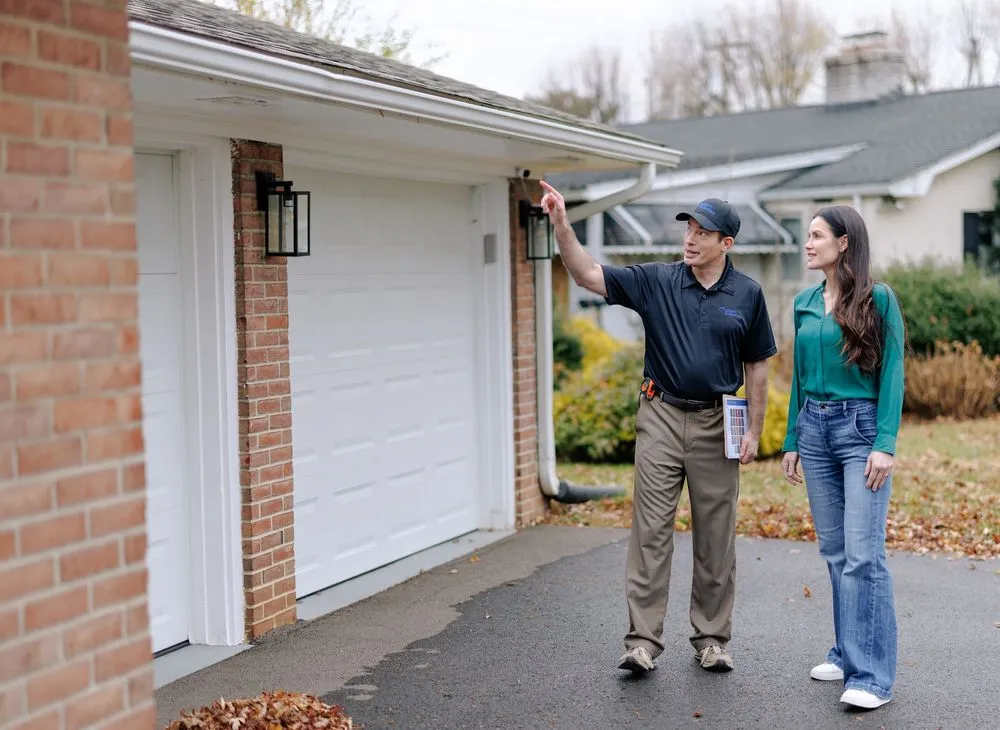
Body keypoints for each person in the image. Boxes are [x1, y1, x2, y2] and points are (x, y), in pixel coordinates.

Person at [539, 181, 776, 674]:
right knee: (650, 532)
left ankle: (711, 639)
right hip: (661, 417)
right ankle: (642, 642)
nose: (690, 238)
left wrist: (753, 429)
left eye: (703, 231)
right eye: (688, 227)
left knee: (716, 536)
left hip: (717, 422)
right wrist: (562, 225)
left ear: (726, 243)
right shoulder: (656, 281)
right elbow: (586, 274)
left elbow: (757, 365)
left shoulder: (748, 295)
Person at [780, 205, 905, 710]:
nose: (807, 244)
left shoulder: (879, 299)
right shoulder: (805, 302)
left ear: (844, 242)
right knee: (835, 554)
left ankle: (872, 676)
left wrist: (886, 443)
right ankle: (846, 650)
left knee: (863, 554)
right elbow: (798, 376)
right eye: (806, 236)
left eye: (816, 236)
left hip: (860, 430)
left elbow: (894, 370)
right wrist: (790, 439)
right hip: (814, 429)